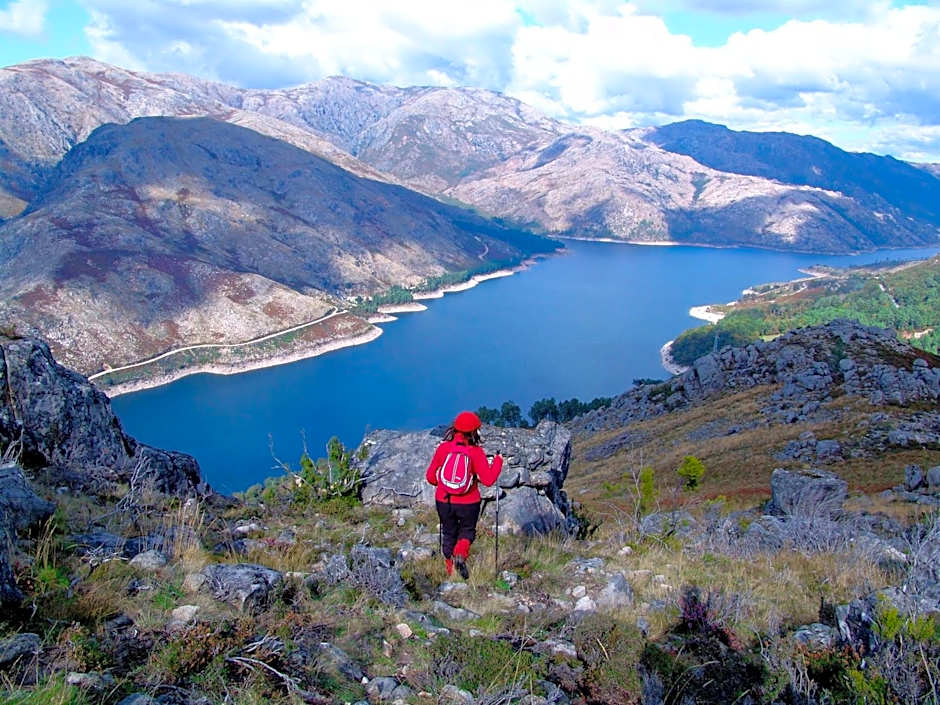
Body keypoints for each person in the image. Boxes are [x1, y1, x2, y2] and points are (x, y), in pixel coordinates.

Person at [425, 411, 502, 579]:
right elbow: (488, 480)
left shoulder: (443, 448)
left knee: (449, 533)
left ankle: (450, 570)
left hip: (444, 500)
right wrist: (498, 462)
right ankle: (460, 553)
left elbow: (430, 477)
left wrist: (444, 486)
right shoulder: (476, 452)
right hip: (469, 502)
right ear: (474, 431)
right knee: (467, 531)